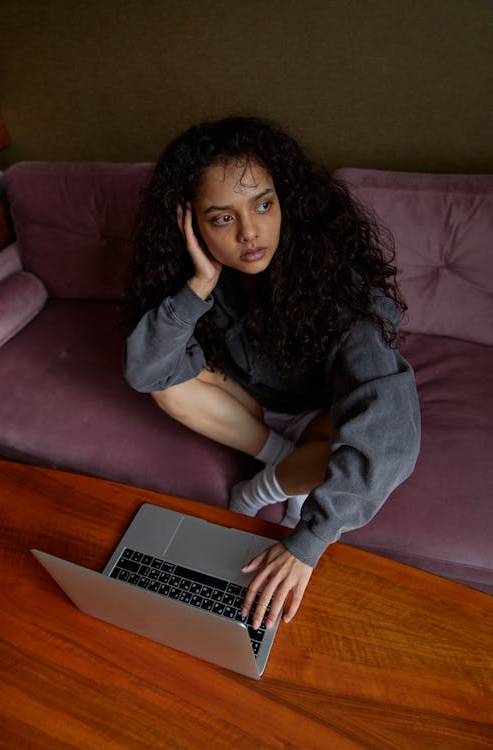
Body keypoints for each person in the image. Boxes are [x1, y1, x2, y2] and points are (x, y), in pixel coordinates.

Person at [123, 116, 420, 632]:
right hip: (254, 405)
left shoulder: (340, 284)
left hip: (321, 416)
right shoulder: (200, 278)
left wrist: (306, 545)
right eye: (221, 218)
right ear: (190, 223)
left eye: (263, 204)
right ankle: (283, 465)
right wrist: (198, 285)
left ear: (287, 199)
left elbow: (393, 436)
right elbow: (145, 371)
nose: (250, 232)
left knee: (354, 448)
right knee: (167, 388)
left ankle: (257, 491)